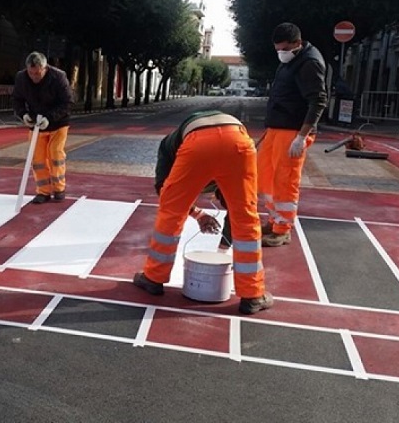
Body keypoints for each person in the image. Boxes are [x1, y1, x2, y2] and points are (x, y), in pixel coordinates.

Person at [133, 110, 273, 315]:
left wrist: (196, 214)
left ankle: (153, 278)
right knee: (245, 217)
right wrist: (200, 215)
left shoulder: (168, 147)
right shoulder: (170, 146)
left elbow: (166, 194)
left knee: (171, 213)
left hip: (197, 143)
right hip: (239, 142)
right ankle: (253, 295)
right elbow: (235, 212)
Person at [258, 22, 327, 247]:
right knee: (266, 175)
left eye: (285, 49)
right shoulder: (290, 60)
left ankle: (283, 229)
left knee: (285, 180)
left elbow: (318, 100)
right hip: (277, 128)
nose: (281, 53)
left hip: (292, 131)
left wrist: (301, 136)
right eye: (277, 49)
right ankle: (274, 219)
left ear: (298, 43)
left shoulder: (310, 63)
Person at [13, 51, 74, 204]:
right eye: (31, 73)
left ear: (45, 68)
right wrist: (24, 114)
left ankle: (59, 188)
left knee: (55, 155)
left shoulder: (58, 77)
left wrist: (50, 118)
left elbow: (67, 103)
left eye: (37, 73)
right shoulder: (21, 78)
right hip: (36, 124)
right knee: (38, 159)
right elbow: (17, 99)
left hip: (58, 123)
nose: (34, 77)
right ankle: (43, 191)